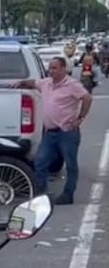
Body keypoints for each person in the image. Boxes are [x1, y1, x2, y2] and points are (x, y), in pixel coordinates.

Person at [15, 56, 92, 205]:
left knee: (70, 165)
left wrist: (80, 118)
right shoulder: (46, 83)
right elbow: (34, 83)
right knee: (40, 162)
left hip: (67, 132)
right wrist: (21, 83)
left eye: (54, 68)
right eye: (50, 68)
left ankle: (68, 195)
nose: (51, 71)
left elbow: (87, 98)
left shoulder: (72, 84)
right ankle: (41, 194)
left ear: (63, 69)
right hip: (50, 133)